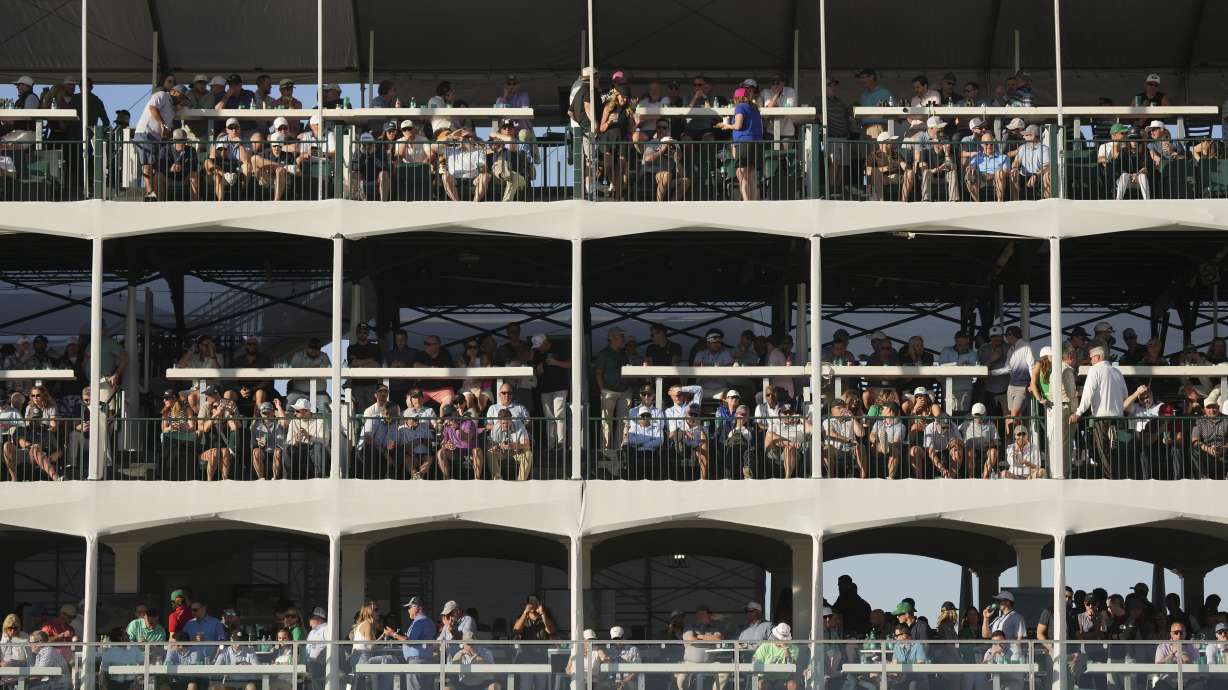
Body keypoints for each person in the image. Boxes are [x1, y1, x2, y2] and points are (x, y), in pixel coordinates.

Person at [717, 87, 762, 201]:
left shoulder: (740, 107)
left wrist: (726, 126)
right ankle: (754, 202)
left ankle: (746, 203)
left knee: (743, 177)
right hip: (756, 143)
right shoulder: (754, 108)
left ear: (737, 98)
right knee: (752, 176)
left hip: (744, 143)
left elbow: (738, 126)